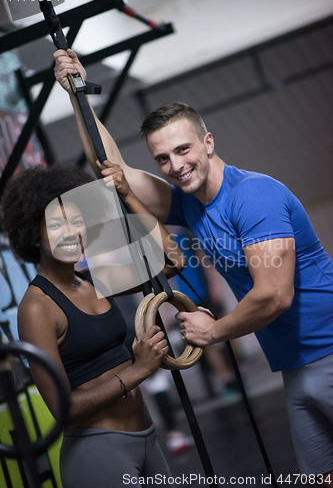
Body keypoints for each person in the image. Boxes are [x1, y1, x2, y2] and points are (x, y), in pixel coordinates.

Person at [54, 49, 333, 481]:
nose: (175, 166)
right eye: (162, 158)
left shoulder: (253, 196)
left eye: (183, 150)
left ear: (208, 142)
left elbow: (275, 294)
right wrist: (77, 95)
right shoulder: (192, 205)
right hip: (296, 367)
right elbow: (113, 171)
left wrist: (214, 330)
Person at [1, 163, 187, 488]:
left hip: (148, 438)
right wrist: (137, 370)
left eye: (77, 221)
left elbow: (172, 261)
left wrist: (128, 194)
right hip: (97, 452)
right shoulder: (36, 307)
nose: (71, 232)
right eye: (56, 224)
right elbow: (63, 408)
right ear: (33, 231)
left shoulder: (95, 281)